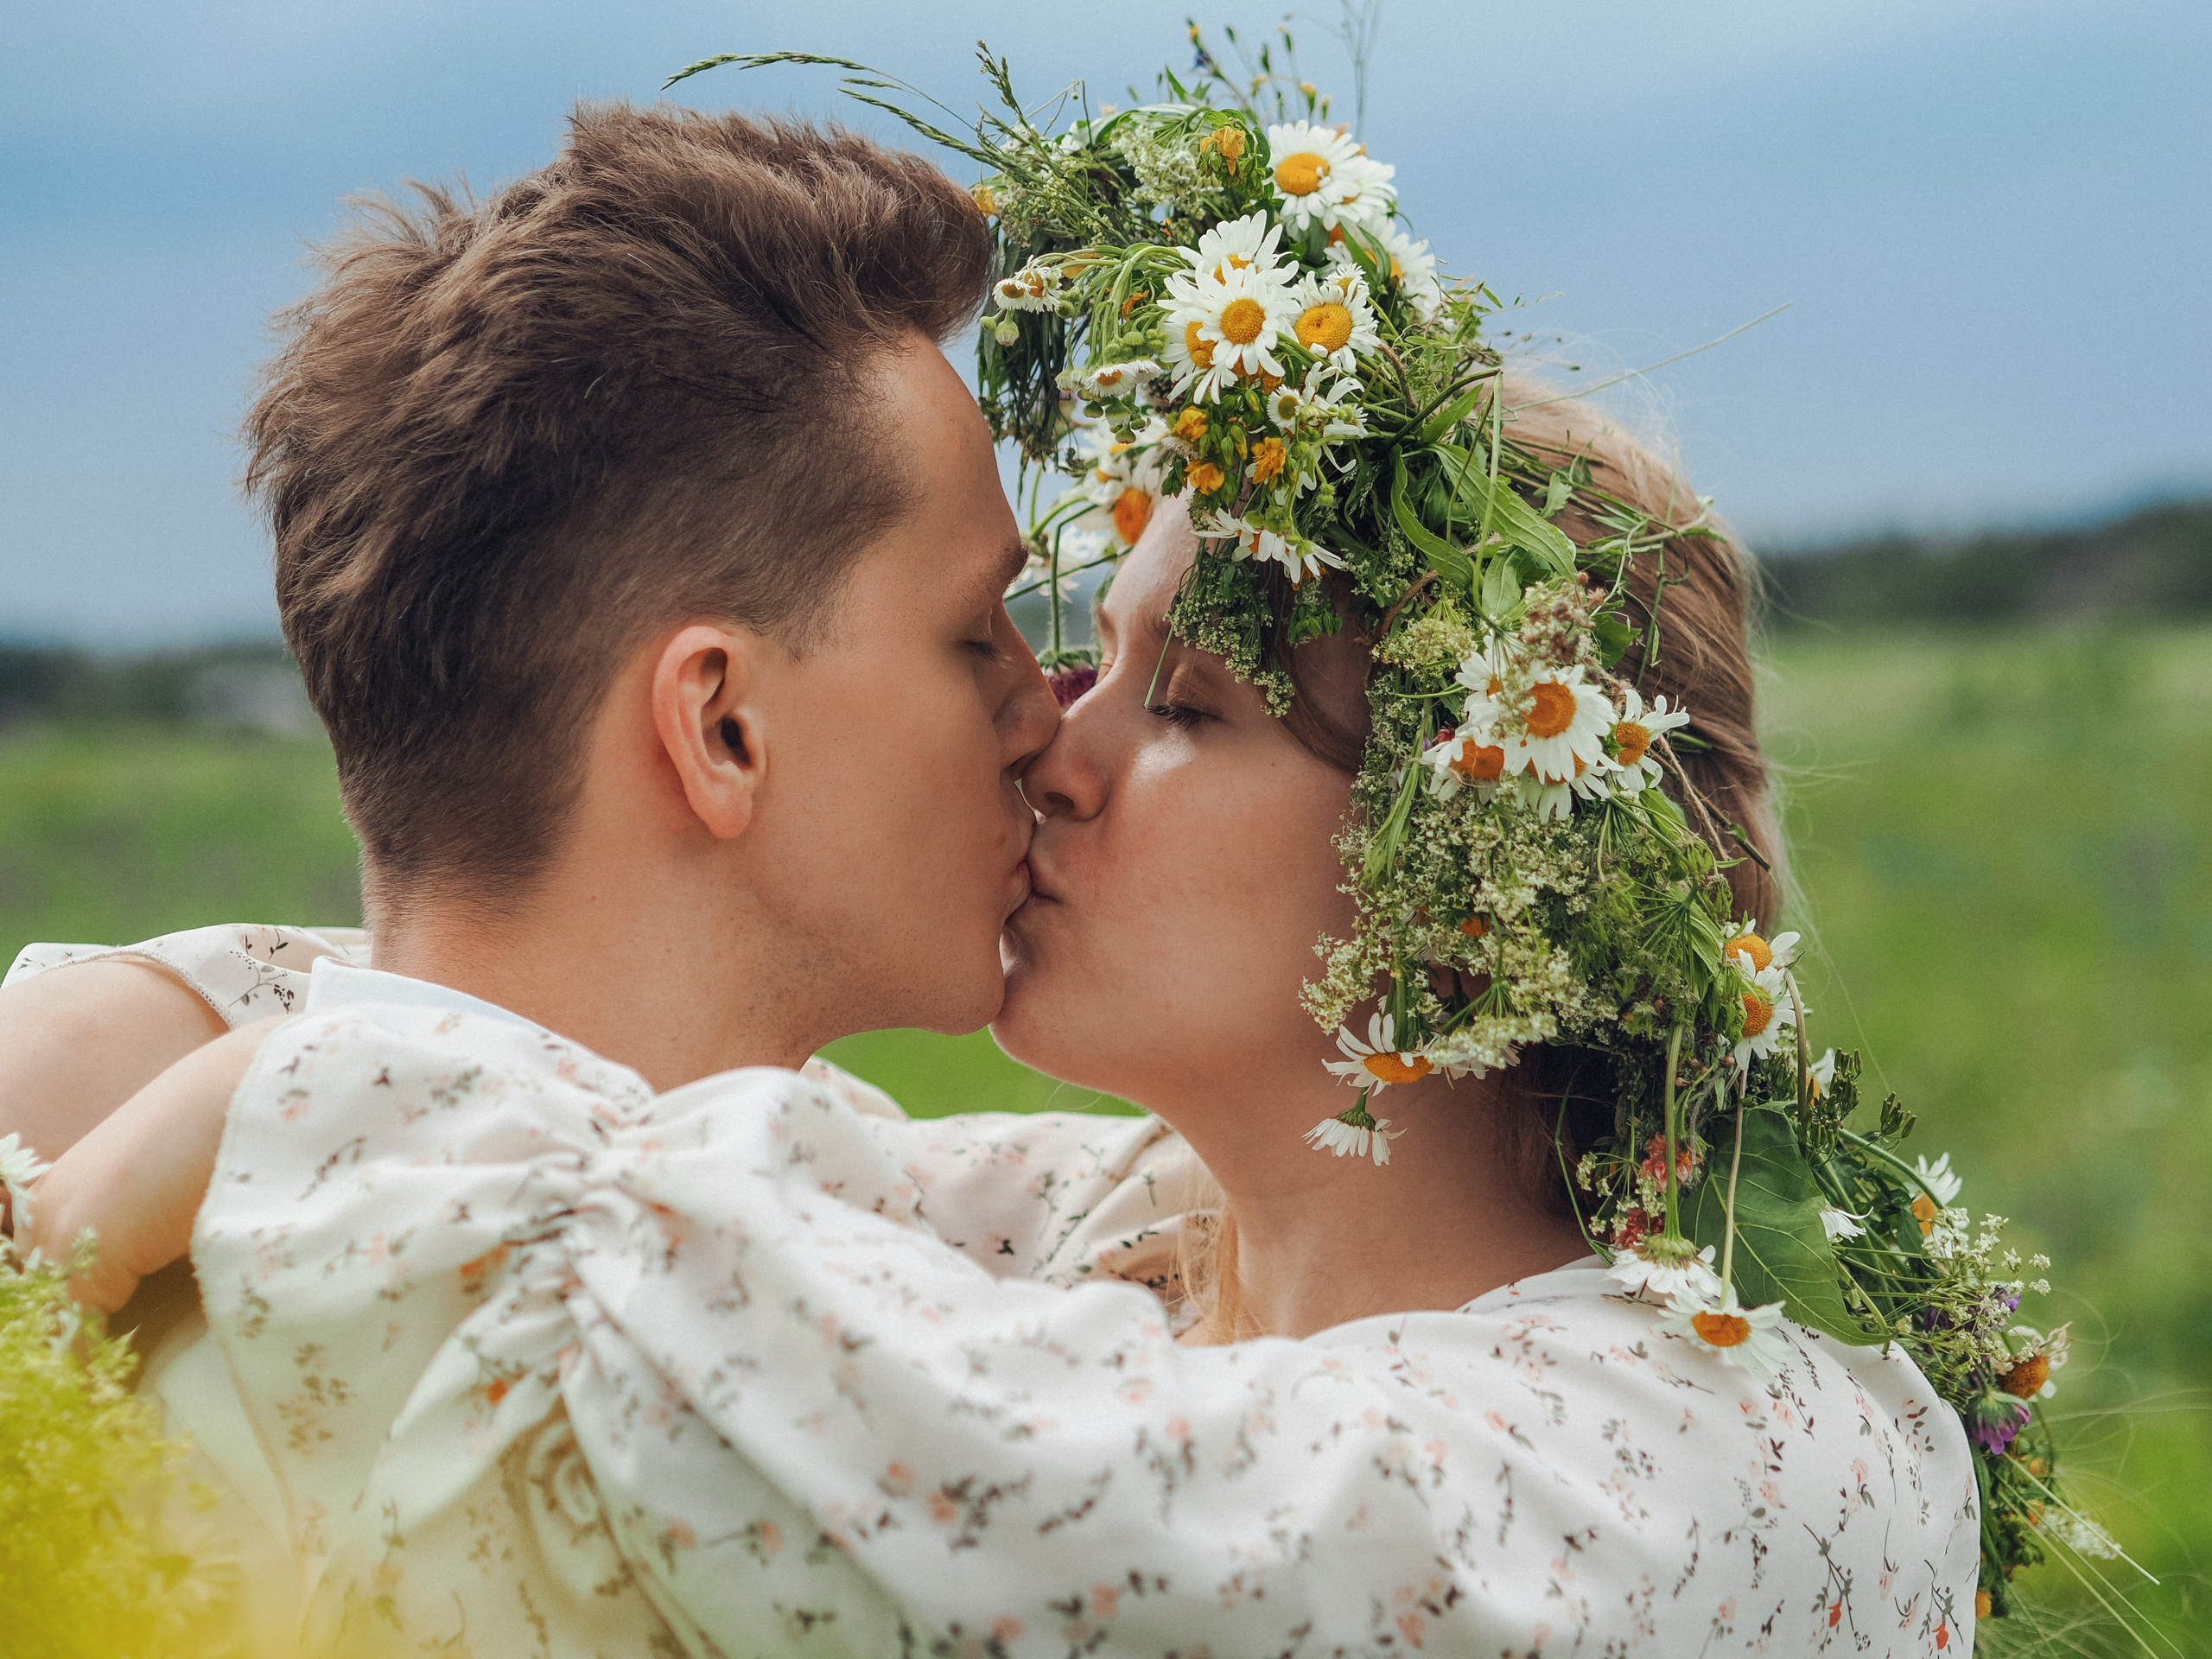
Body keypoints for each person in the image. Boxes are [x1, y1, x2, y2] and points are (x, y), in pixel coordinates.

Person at [5, 66, 2008, 1657]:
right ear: (714, 725)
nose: (1050, 728)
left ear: (1462, 884)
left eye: (1192, 699)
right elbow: (658, 1129)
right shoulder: (1098, 1245)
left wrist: (252, 1098)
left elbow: (931, 1399)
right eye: (1019, 638)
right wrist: (149, 1026)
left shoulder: (1737, 1454)